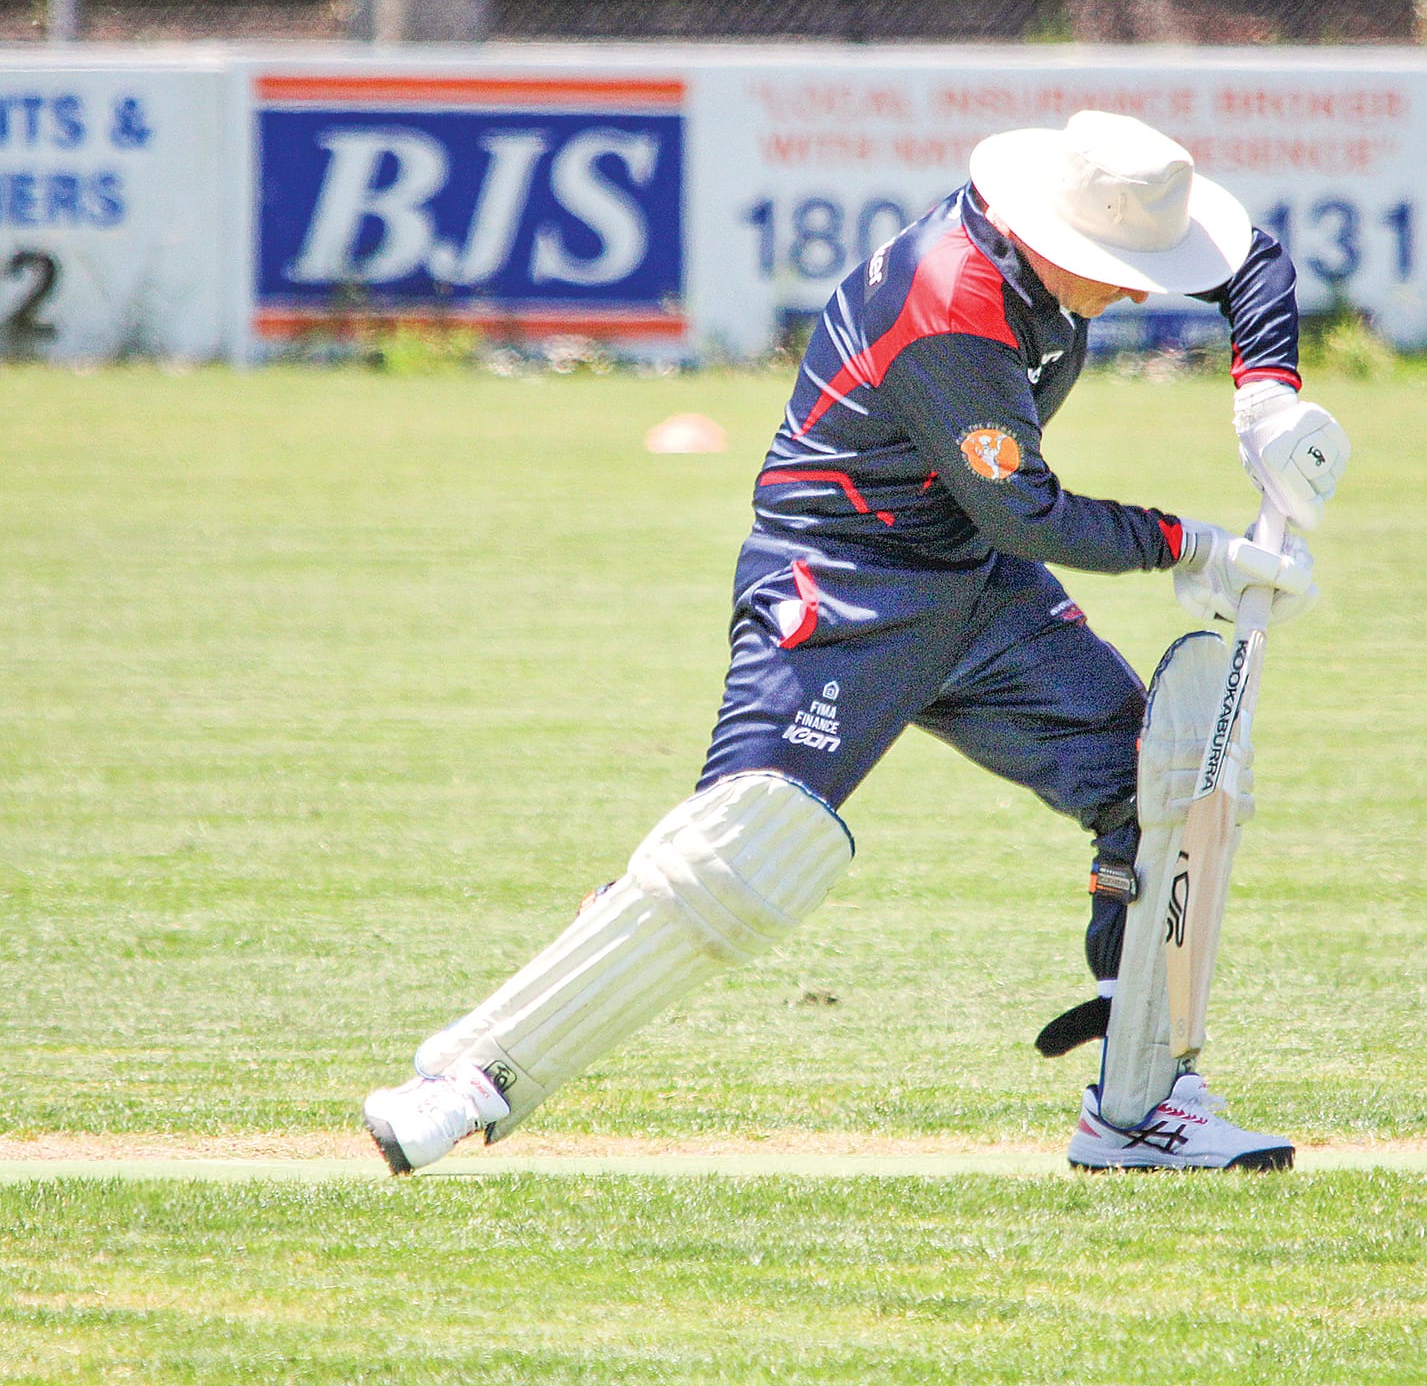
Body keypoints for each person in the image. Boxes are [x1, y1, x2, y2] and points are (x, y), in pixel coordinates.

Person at [362, 110, 1348, 1174]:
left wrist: (1267, 399)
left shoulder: (1054, 245)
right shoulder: (951, 303)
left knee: (1158, 793)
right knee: (732, 858)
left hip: (976, 583)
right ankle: (466, 1078)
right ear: (1054, 239)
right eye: (1119, 270)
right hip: (842, 586)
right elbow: (1025, 510)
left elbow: (1252, 261)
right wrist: (1192, 549)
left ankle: (1141, 1110)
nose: (1137, 291)